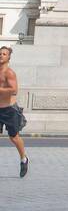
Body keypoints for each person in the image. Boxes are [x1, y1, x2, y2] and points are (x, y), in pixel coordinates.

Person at [0, 46, 29, 177]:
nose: (1, 56)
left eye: (4, 54)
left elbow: (14, 90)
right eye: (0, 53)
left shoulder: (9, 73)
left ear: (8, 57)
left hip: (9, 110)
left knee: (14, 137)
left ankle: (24, 158)